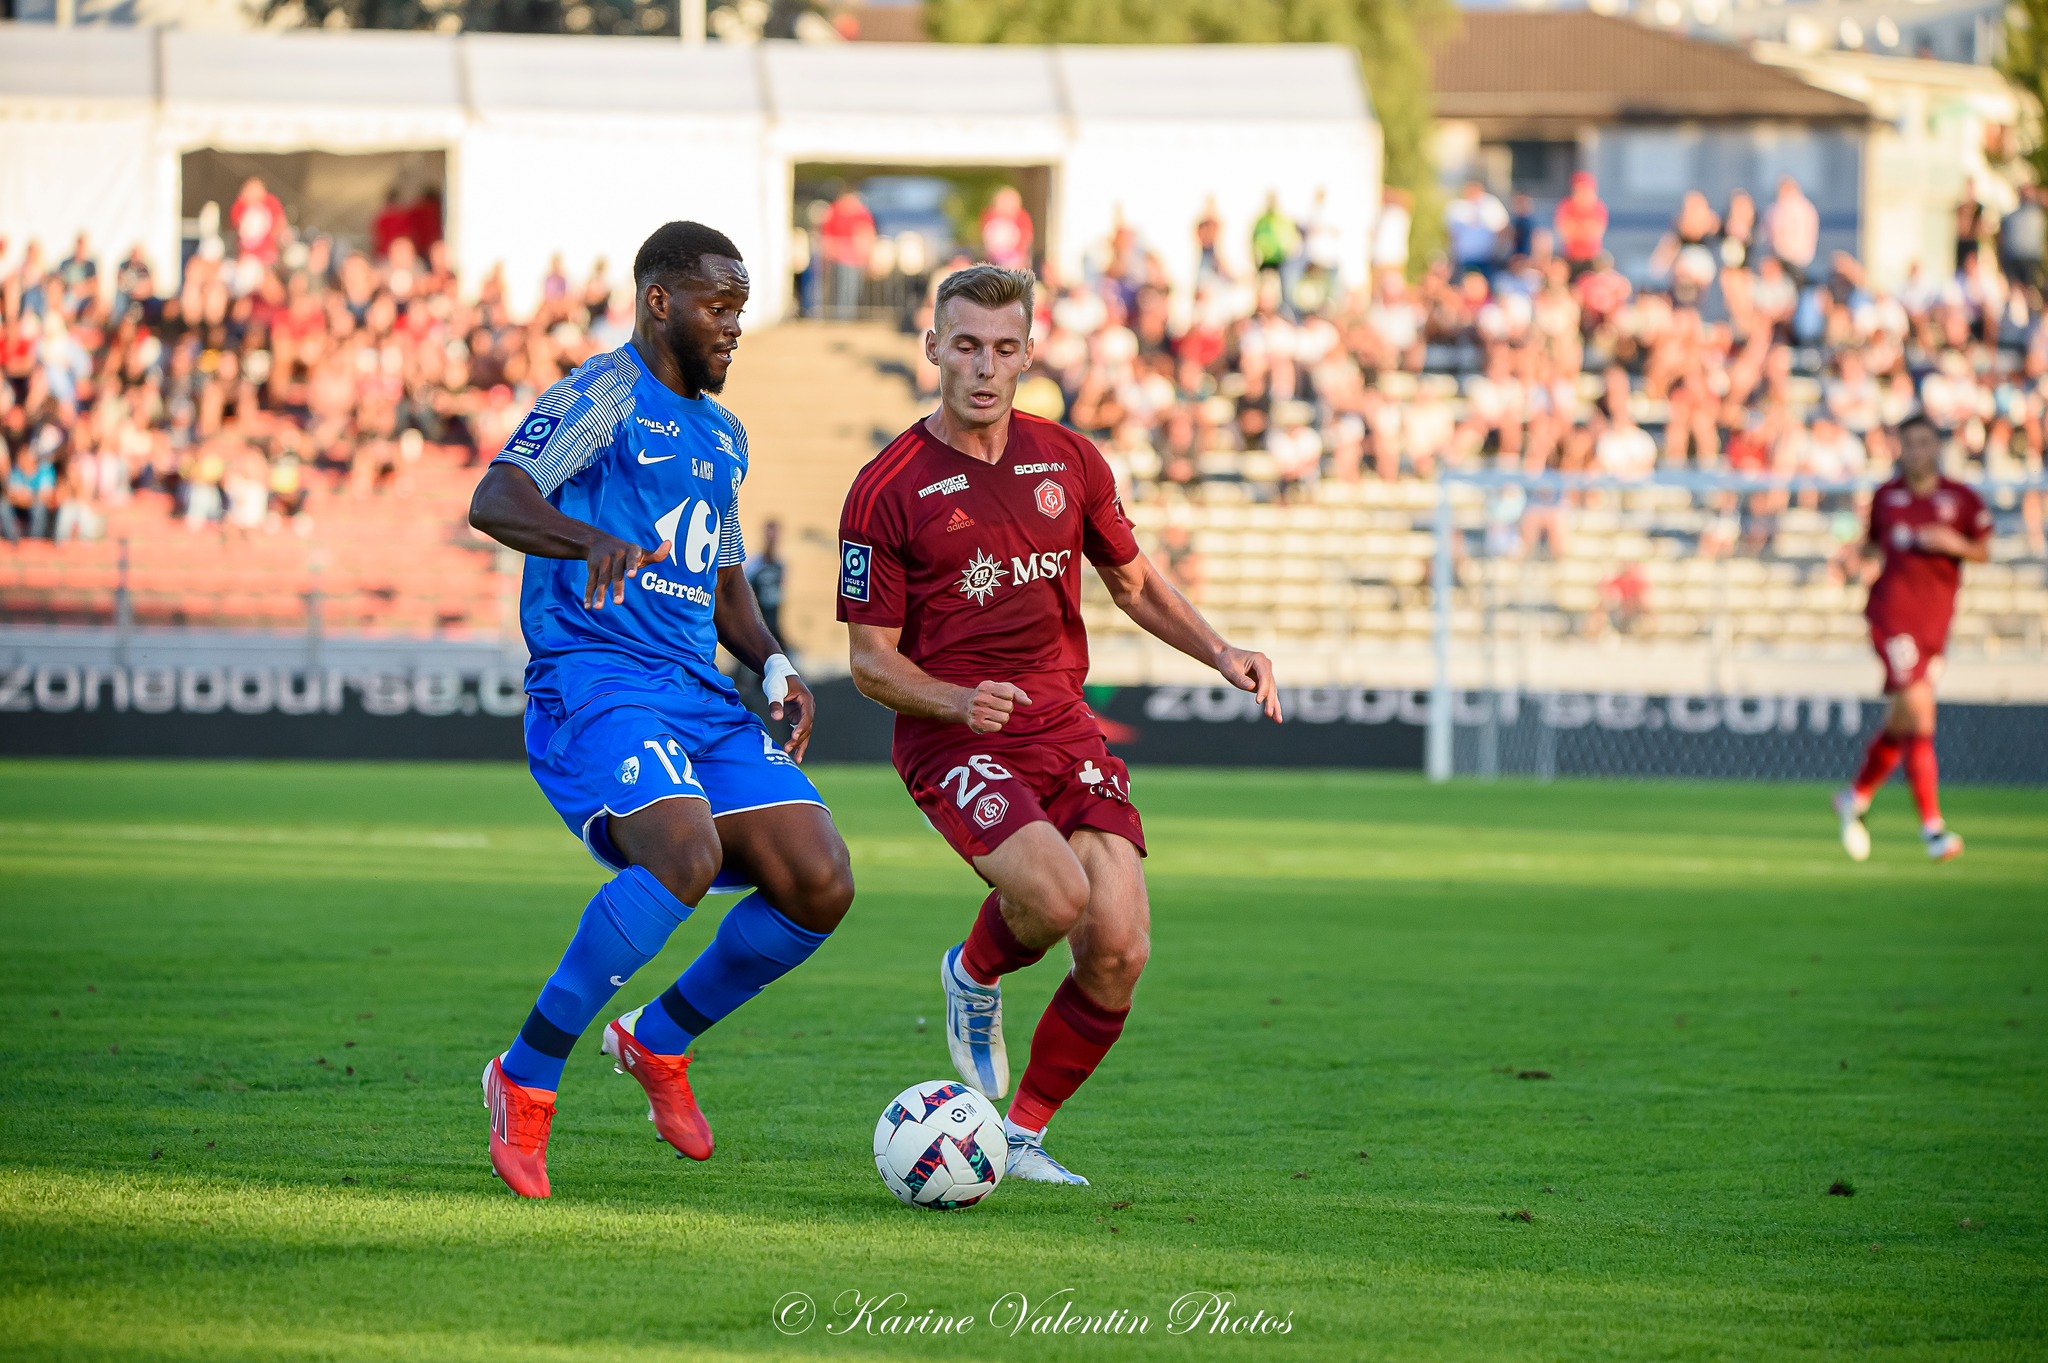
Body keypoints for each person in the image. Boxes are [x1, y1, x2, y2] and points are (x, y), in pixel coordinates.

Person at [836, 264, 1281, 1185]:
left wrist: (1221, 649)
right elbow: (870, 662)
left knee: (1118, 947)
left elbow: (1134, 582)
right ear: (933, 350)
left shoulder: (1069, 459)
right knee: (1056, 896)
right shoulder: (885, 487)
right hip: (951, 733)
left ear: (1029, 353)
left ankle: (1025, 1134)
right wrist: (958, 701)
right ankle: (974, 969)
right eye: (965, 346)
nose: (985, 367)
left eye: (1004, 348)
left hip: (1062, 724)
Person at [465, 221, 855, 1199]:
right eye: (716, 307)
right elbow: (497, 494)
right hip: (599, 679)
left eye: (738, 308)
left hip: (696, 695)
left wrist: (774, 667)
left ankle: (659, 1039)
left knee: (820, 880)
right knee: (685, 851)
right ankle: (526, 1072)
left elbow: (725, 589)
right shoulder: (604, 394)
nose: (731, 326)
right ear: (658, 302)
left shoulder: (724, 437)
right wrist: (578, 535)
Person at [1833, 415, 1991, 864]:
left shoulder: (1960, 499)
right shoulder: (1886, 497)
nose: (1917, 451)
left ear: (1936, 447)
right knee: (1921, 711)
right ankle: (1932, 830)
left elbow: (1982, 549)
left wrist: (1951, 543)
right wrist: (1850, 559)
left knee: (1903, 720)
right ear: (1900, 449)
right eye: (1909, 444)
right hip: (1891, 616)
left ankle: (1856, 795)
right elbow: (1873, 546)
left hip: (1934, 626)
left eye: (1924, 443)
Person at [1446, 180, 1509, 280]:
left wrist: (1498, 251)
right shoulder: (1458, 207)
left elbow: (1502, 229)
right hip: (1465, 257)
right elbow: (1452, 234)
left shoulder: (1490, 204)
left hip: (1487, 257)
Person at [1553, 172, 1607, 276]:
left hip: (1591, 258)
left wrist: (1577, 228)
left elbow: (1595, 233)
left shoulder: (1598, 208)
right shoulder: (1566, 206)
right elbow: (1564, 231)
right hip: (1570, 256)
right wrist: (1584, 227)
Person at [978, 187, 1034, 273]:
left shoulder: (1022, 217)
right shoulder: (990, 216)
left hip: (1016, 262)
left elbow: (1026, 239)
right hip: (993, 261)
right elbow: (987, 239)